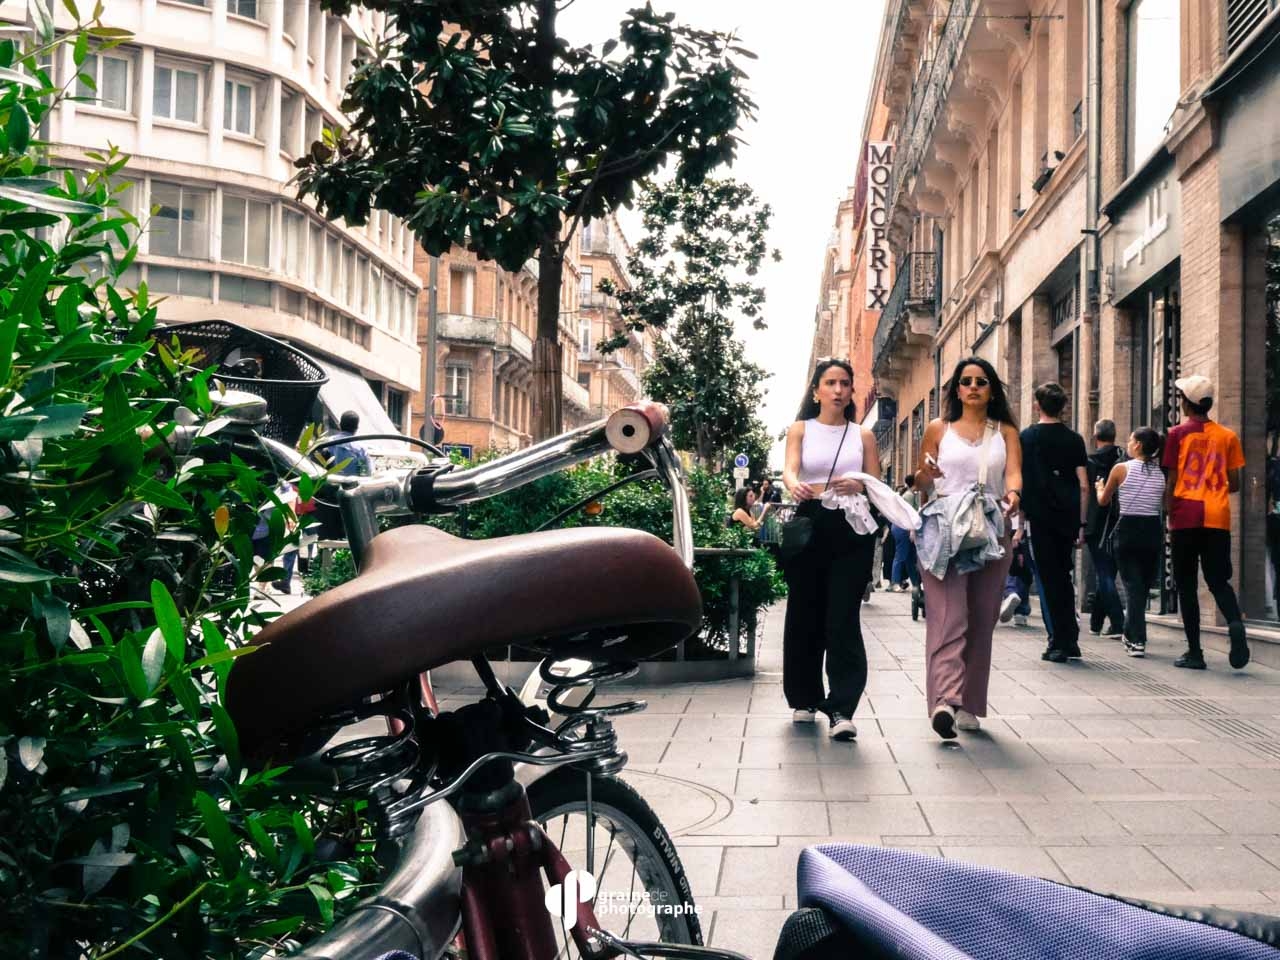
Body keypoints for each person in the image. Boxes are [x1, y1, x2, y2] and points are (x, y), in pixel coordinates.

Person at [916, 357, 1022, 739]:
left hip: (991, 527)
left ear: (991, 389)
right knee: (948, 615)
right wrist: (926, 473)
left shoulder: (1005, 431)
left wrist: (1014, 494)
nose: (973, 387)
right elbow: (919, 482)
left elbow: (1014, 473)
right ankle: (944, 701)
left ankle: (969, 704)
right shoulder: (938, 428)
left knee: (982, 617)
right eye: (966, 381)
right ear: (957, 390)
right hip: (944, 529)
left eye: (981, 381)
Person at [781, 357, 880, 742]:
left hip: (851, 525)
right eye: (831, 383)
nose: (838, 390)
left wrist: (861, 484)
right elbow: (790, 469)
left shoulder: (863, 435)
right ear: (816, 391)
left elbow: (876, 483)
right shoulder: (801, 429)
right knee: (804, 612)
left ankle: (842, 708)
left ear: (851, 390)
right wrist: (794, 484)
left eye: (844, 383)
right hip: (810, 521)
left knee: (843, 617)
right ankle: (804, 698)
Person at [1162, 375, 1250, 670]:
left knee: (1186, 585)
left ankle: (1195, 652)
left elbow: (1171, 480)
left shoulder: (1176, 434)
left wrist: (1168, 512)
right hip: (1217, 516)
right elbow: (1235, 483)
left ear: (1187, 403)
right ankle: (1235, 623)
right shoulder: (1228, 436)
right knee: (1218, 580)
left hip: (1185, 516)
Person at [1020, 383, 1089, 664]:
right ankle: (1070, 640)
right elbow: (1083, 485)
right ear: (1063, 407)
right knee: (1064, 576)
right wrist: (1082, 524)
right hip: (1068, 517)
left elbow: (1021, 483)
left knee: (1049, 581)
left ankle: (1058, 642)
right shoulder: (1075, 439)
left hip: (1040, 517)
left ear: (1037, 405)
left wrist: (1019, 523)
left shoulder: (1027, 438)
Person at [1097, 428, 1165, 657]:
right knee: (1141, 588)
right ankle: (1131, 634)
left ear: (1137, 445)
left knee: (1133, 586)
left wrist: (1099, 487)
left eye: (1130, 440)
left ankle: (1137, 640)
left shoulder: (1121, 469)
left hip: (1127, 530)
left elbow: (1104, 501)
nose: (1127, 443)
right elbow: (1163, 505)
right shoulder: (1160, 473)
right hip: (1152, 530)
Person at [1085, 419, 1125, 637]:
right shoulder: (1124, 458)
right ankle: (1096, 621)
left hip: (1096, 524)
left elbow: (1085, 492)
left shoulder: (1090, 462)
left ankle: (1119, 623)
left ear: (1095, 436)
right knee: (1107, 572)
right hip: (1120, 523)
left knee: (1104, 573)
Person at [890, 477, 921, 592]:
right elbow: (908, 514)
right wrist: (912, 530)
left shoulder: (911, 495)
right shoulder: (909, 496)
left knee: (910, 558)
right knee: (901, 556)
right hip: (903, 528)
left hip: (904, 528)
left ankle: (916, 584)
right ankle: (895, 583)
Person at [326, 410, 371, 476]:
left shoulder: (327, 442)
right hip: (353, 482)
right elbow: (364, 473)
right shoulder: (360, 449)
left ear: (339, 425)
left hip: (331, 481)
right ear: (356, 428)